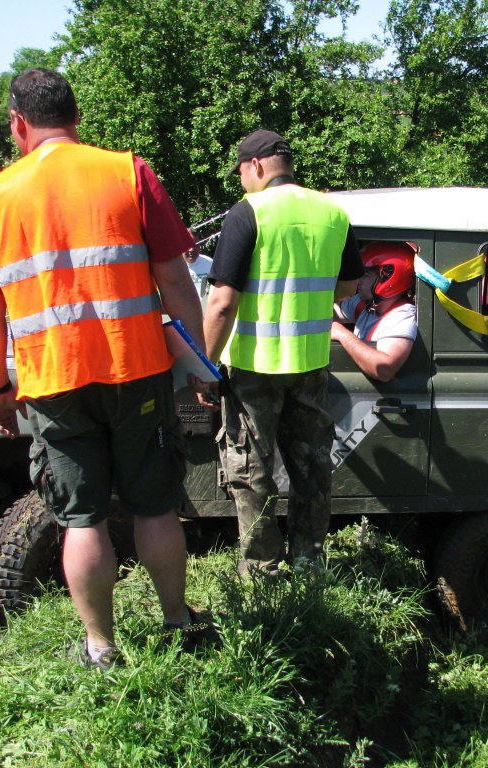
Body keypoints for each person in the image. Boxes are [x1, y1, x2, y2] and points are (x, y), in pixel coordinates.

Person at [0, 69, 210, 671]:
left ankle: (100, 646)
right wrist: (203, 366)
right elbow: (176, 279)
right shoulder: (128, 171)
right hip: (137, 368)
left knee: (82, 517)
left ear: (19, 123)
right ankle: (178, 622)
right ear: (74, 117)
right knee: (155, 506)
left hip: (54, 384)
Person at [202, 129, 362, 578]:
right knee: (311, 465)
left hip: (252, 367)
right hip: (310, 362)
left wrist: (203, 362)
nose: (242, 183)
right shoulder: (333, 213)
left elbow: (221, 302)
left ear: (255, 166)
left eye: (241, 174)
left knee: (252, 469)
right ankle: (310, 562)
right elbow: (349, 287)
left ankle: (264, 569)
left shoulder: (248, 212)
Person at [331, 242, 417, 382]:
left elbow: (384, 369)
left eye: (364, 274)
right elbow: (332, 312)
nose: (358, 280)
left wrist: (341, 334)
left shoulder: (402, 316)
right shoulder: (365, 304)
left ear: (387, 276)